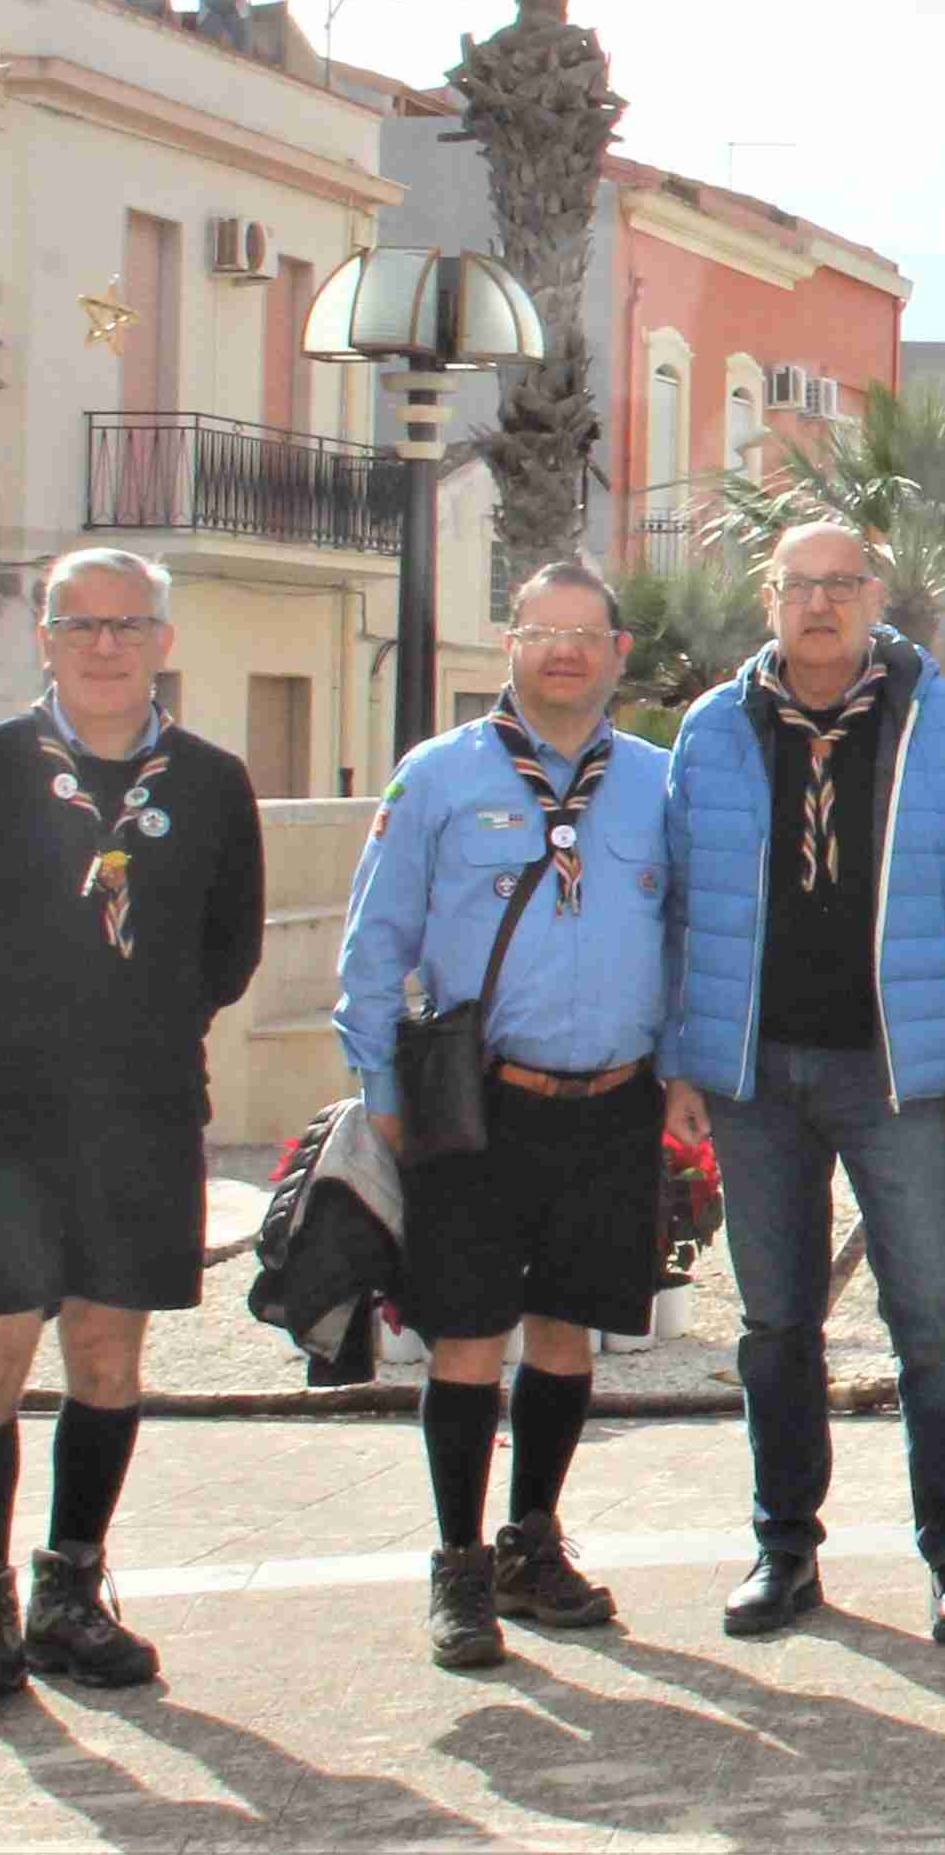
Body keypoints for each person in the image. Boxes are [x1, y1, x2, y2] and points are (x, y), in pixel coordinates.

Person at [0, 550, 265, 1728]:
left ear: (162, 642)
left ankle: (71, 1594)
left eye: (128, 624)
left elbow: (228, 948)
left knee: (107, 1359)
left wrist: (137, 1037)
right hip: (1, 1123)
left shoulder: (208, 781)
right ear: (43, 640)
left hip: (142, 1118)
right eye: (81, 625)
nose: (105, 645)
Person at [662, 524, 945, 1646]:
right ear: (768, 599)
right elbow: (676, 904)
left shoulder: (944, 725)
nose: (820, 605)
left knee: (932, 1321)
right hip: (751, 1075)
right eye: (799, 586)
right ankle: (785, 1550)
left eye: (842, 585)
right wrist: (681, 1058)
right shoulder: (713, 730)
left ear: (876, 596)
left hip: (899, 1074)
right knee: (776, 1325)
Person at [336, 561, 677, 1669]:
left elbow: (689, 939)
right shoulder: (435, 777)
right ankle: (459, 1568)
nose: (565, 651)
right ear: (511, 648)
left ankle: (535, 1543)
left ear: (621, 653)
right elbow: (374, 944)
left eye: (587, 633)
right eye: (542, 632)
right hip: (476, 1106)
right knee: (469, 1335)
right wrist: (383, 1090)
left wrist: (684, 1072)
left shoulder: (660, 786)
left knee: (571, 1330)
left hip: (613, 1103)